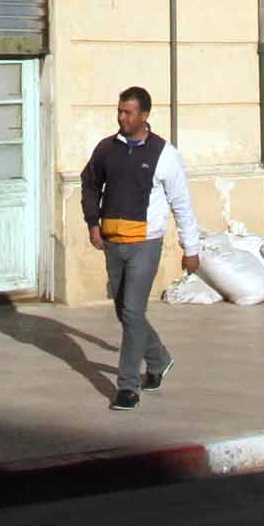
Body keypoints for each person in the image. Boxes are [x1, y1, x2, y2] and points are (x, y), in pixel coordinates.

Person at [79, 86, 199, 411]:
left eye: (128, 112)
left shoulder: (165, 154)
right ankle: (158, 359)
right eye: (119, 111)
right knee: (124, 312)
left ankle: (128, 387)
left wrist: (191, 248)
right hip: (112, 244)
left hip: (145, 244)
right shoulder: (106, 149)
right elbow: (90, 183)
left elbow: (181, 203)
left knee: (133, 312)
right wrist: (93, 223)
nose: (122, 117)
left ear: (144, 115)